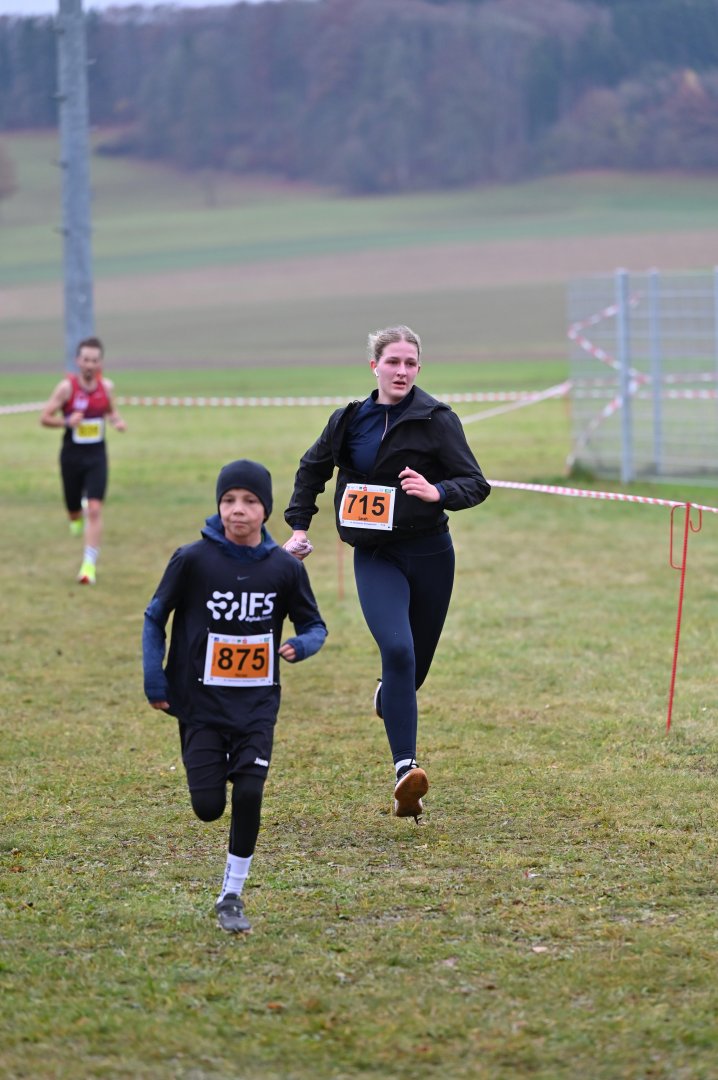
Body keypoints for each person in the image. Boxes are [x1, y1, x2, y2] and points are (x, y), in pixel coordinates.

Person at [284, 325, 490, 822]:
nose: (401, 371)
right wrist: (298, 527)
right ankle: (406, 771)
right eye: (393, 362)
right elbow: (312, 469)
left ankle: (389, 693)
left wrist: (438, 492)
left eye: (410, 363)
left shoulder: (437, 419)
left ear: (419, 368)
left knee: (414, 668)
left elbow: (475, 482)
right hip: (376, 554)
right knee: (397, 650)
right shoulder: (349, 420)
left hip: (431, 554)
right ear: (374, 365)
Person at [143, 459, 327, 934]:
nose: (237, 509)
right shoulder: (192, 560)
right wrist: (154, 679)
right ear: (218, 506)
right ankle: (214, 762)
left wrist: (303, 645)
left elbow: (314, 625)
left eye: (249, 501)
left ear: (266, 510)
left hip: (256, 704)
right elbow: (155, 616)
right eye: (228, 500)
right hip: (200, 704)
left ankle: (231, 894)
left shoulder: (283, 568)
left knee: (249, 791)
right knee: (208, 807)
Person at [40, 336, 126, 585]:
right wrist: (66, 421)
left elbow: (111, 410)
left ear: (100, 363)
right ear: (78, 361)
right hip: (71, 457)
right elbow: (44, 417)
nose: (90, 365)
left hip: (97, 456)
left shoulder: (106, 387)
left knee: (95, 508)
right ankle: (74, 517)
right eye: (86, 359)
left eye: (94, 360)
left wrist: (116, 421)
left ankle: (88, 565)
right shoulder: (66, 388)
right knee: (74, 508)